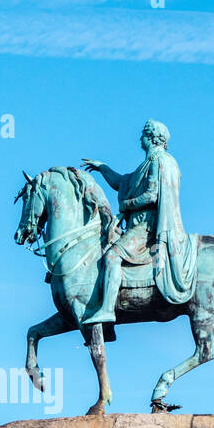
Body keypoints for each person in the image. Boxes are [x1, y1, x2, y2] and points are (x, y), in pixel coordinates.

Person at [81, 119, 194, 324]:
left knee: (112, 256)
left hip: (147, 226)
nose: (139, 138)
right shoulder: (147, 163)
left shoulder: (160, 161)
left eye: (143, 134)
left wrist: (126, 204)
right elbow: (122, 182)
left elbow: (151, 195)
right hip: (138, 224)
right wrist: (102, 168)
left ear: (151, 138)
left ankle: (107, 309)